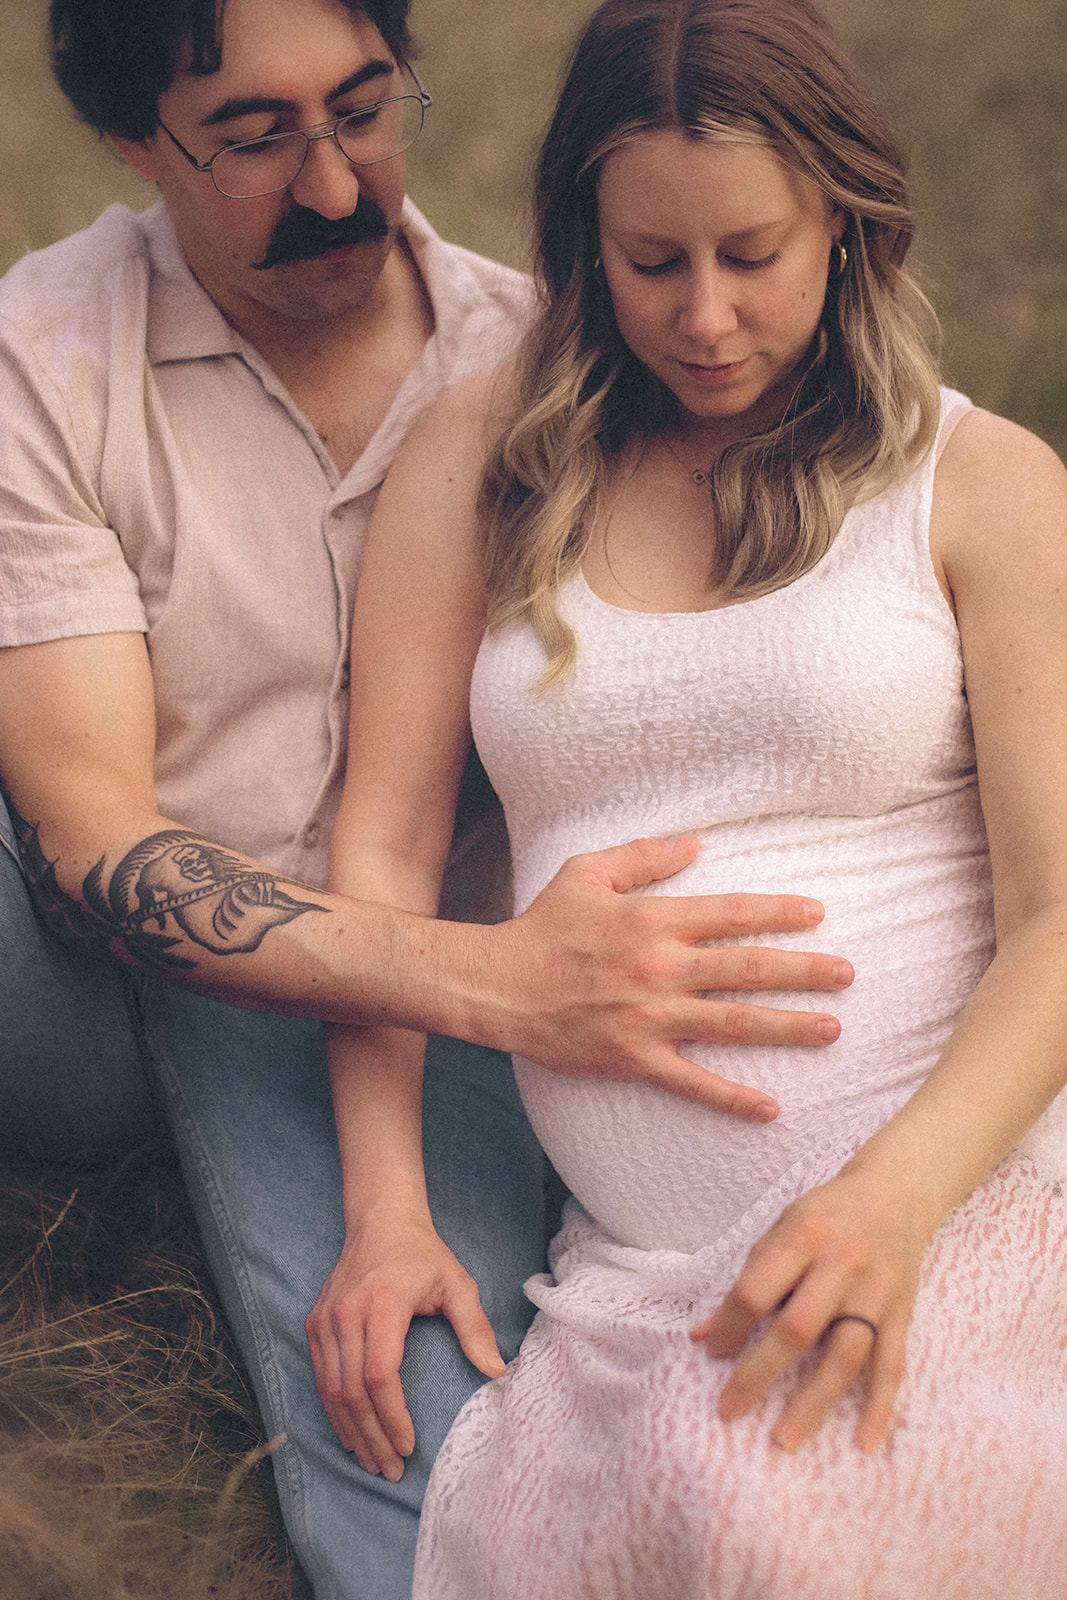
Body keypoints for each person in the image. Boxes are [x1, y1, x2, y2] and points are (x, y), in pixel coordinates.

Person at [0, 0, 859, 1594]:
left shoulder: (551, 353)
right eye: (255, 137)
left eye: (365, 108)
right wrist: (497, 981)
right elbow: (93, 833)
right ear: (134, 144)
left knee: (432, 1404)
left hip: (448, 1002)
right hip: (119, 974)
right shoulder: (40, 359)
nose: (336, 181)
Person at [311, 0, 1067, 1593]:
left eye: (754, 254)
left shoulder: (978, 482)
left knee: (788, 1528)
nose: (706, 316)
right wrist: (387, 1210)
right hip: (640, 1278)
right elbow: (380, 844)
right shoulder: (485, 458)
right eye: (654, 263)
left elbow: (1063, 915)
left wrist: (888, 1206)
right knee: (715, 1517)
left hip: (967, 1197)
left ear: (848, 226)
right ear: (585, 239)